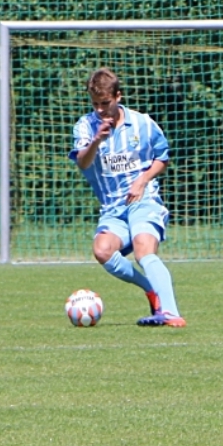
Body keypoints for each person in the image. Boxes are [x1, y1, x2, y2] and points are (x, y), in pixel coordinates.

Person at [71, 68, 184, 327]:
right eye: (95, 104)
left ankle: (171, 312)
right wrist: (97, 141)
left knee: (144, 250)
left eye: (105, 103)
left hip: (143, 201)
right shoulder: (85, 126)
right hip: (113, 209)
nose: (100, 109)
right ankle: (150, 289)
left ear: (118, 96)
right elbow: (83, 162)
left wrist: (142, 180)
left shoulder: (143, 123)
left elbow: (162, 158)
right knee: (102, 250)